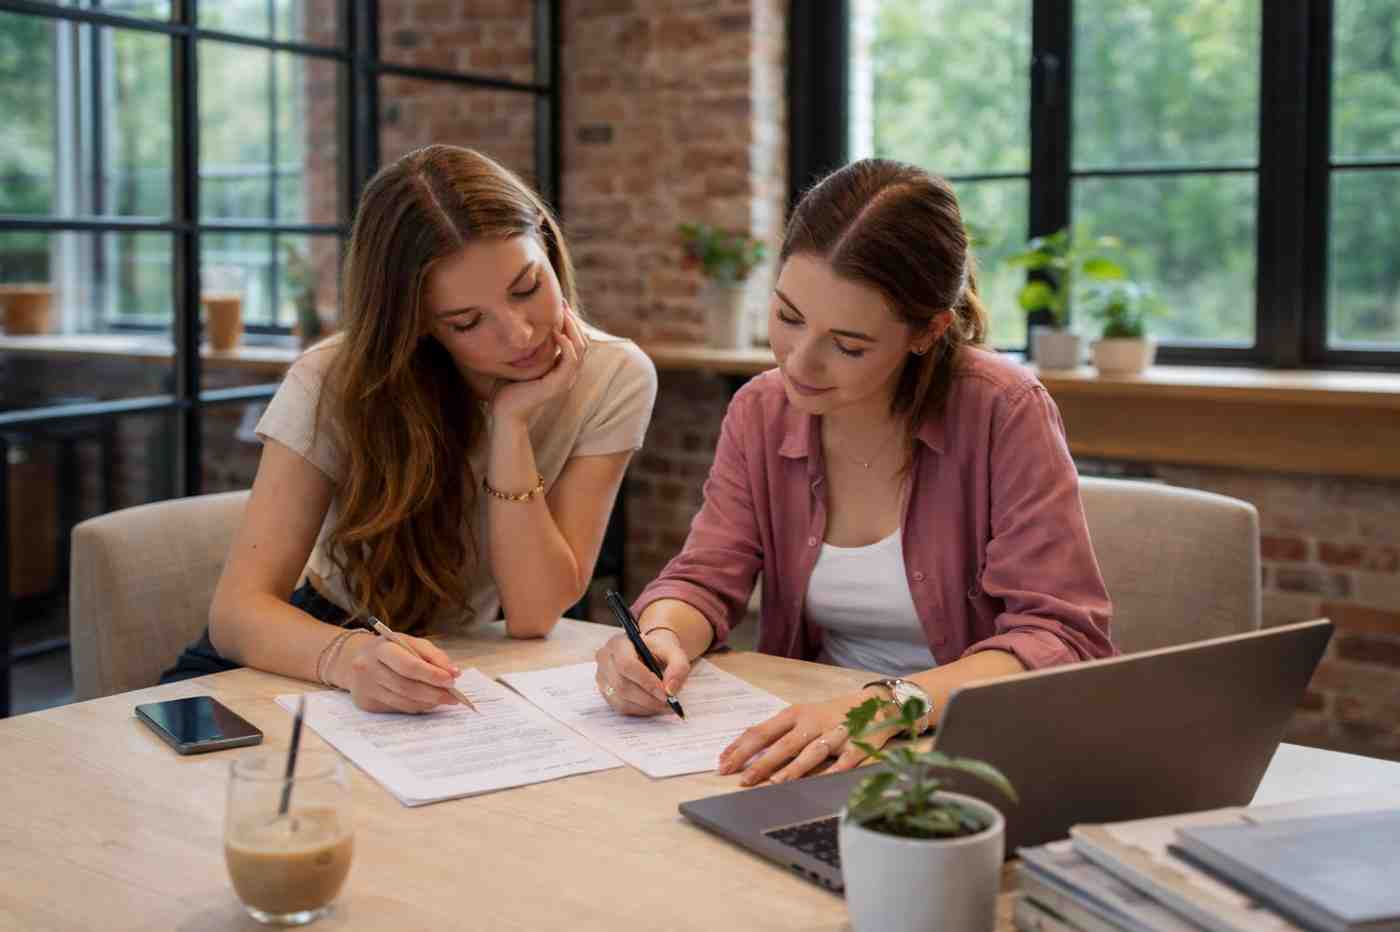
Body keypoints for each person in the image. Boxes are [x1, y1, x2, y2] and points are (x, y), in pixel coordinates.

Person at [594, 158, 1115, 785]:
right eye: (788, 317)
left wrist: (881, 706)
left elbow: (1057, 635)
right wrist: (657, 638)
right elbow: (706, 576)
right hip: (822, 743)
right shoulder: (761, 411)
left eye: (848, 344)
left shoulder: (1003, 409)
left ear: (927, 331)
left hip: (971, 753)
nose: (799, 364)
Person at [165, 144, 657, 713]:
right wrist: (346, 658)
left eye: (527, 289)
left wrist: (510, 424)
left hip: (462, 656)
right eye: (467, 322)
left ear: (547, 244)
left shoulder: (614, 375)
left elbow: (532, 611)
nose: (519, 335)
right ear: (417, 325)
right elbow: (237, 613)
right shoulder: (333, 379)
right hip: (314, 644)